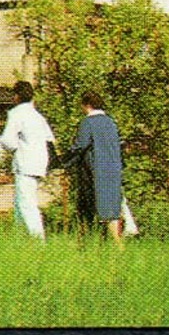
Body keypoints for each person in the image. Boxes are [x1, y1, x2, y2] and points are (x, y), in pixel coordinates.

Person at [0, 80, 55, 239]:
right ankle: (19, 239)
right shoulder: (38, 116)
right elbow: (49, 139)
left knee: (26, 204)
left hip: (25, 163)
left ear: (16, 96)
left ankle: (38, 241)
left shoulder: (16, 113)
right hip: (40, 164)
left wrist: (17, 148)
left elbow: (7, 140)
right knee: (20, 203)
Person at [64, 90, 124, 241]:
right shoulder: (111, 122)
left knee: (90, 208)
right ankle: (117, 244)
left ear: (86, 105)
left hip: (95, 171)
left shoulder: (88, 122)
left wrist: (64, 161)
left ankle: (87, 242)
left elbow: (80, 146)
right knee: (112, 209)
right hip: (113, 169)